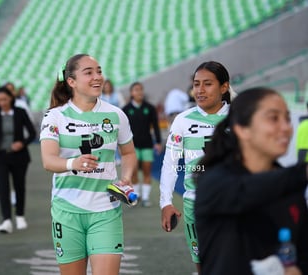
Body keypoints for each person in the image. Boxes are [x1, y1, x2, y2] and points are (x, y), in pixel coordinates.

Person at [39, 53, 137, 275]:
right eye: (89, 72)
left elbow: (129, 153)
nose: (97, 77)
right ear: (71, 81)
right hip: (67, 211)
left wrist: (126, 178)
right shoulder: (54, 116)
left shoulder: (116, 115)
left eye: (99, 71)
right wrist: (75, 162)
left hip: (106, 210)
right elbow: (48, 160)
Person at [194, 87, 308, 275]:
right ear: (242, 130)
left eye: (287, 118)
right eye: (273, 118)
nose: (286, 127)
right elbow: (245, 191)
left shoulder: (289, 187)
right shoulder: (215, 182)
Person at [160, 61, 233, 273]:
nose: (199, 90)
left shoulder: (239, 117)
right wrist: (165, 202)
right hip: (196, 204)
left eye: (207, 84)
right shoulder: (182, 121)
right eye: (196, 84)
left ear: (224, 87)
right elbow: (171, 163)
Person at [0, 86, 36, 233]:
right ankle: (6, 220)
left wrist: (22, 143)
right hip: (0, 157)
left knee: (19, 186)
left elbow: (32, 134)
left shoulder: (20, 113)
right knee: (3, 188)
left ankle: (20, 215)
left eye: (4, 99)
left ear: (10, 98)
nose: (2, 103)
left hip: (19, 156)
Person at [122, 82, 162, 207]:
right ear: (131, 93)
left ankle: (145, 198)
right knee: (133, 173)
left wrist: (159, 142)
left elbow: (155, 126)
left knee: (146, 171)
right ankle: (137, 196)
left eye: (141, 89)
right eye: (136, 90)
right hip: (131, 147)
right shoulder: (126, 109)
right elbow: (122, 130)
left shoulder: (149, 108)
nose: (139, 92)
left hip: (147, 145)